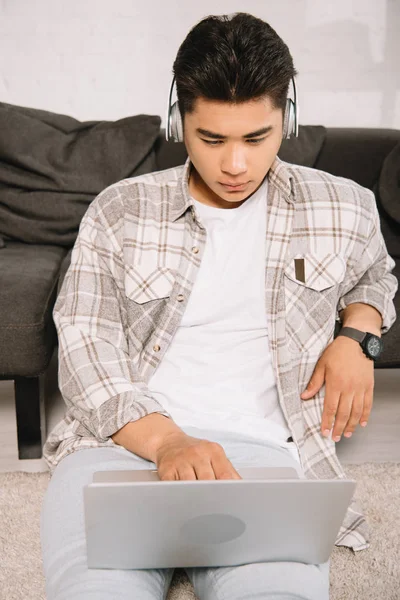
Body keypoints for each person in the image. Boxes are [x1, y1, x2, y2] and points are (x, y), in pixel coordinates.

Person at [40, 12, 398, 600]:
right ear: (180, 123)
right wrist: (168, 443)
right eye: (212, 139)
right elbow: (84, 346)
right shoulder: (119, 211)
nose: (236, 165)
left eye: (257, 138)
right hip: (122, 445)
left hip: (265, 455)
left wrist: (357, 338)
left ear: (288, 117)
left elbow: (375, 278)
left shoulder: (343, 206)